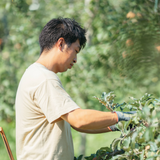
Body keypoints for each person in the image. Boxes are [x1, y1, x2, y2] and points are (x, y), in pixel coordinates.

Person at [15, 18, 135, 160]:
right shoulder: (44, 78)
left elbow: (76, 125)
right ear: (61, 44)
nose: (76, 59)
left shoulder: (34, 73)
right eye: (75, 51)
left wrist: (116, 125)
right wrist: (121, 116)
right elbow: (78, 119)